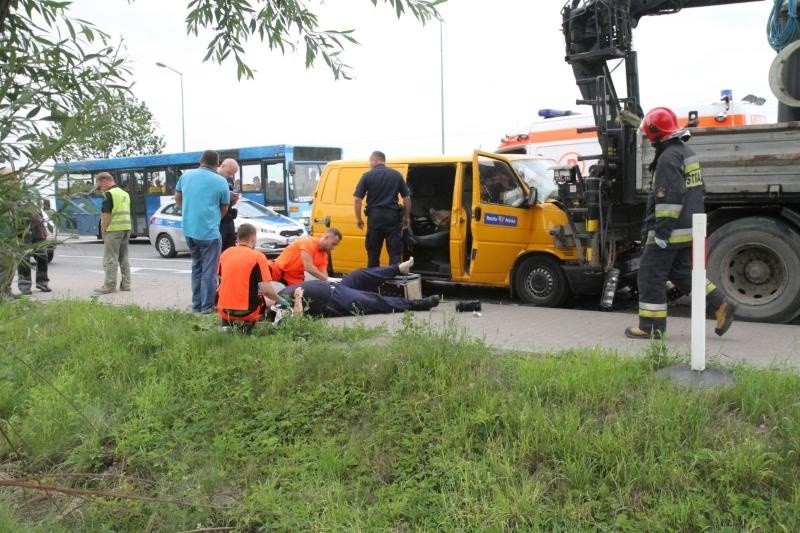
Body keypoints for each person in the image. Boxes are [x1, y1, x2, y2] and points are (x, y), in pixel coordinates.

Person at [625, 107, 736, 339]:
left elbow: (668, 198)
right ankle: (720, 305)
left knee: (649, 276)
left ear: (655, 133)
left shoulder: (667, 158)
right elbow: (699, 191)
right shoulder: (687, 153)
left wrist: (661, 233)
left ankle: (651, 327)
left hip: (669, 232)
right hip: (687, 230)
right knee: (683, 274)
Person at [278, 257, 440, 317]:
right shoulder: (277, 312)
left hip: (334, 286)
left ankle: (397, 268)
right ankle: (416, 305)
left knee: (359, 274)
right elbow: (296, 322)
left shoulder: (278, 294)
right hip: (333, 300)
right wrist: (298, 300)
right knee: (373, 301)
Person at [175, 150, 230, 313]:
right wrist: (214, 219)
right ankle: (207, 307)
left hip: (189, 230)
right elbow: (224, 207)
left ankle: (196, 304)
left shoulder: (185, 176)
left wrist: (185, 210)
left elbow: (177, 197)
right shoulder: (221, 181)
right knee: (209, 271)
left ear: (201, 160)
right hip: (209, 233)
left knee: (196, 267)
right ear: (217, 164)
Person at [216, 223, 285, 331]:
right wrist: (281, 300)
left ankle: (227, 324)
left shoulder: (225, 254)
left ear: (237, 238)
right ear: (253, 239)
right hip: (248, 312)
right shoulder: (258, 257)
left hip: (224, 311)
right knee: (270, 299)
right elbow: (267, 290)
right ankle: (250, 325)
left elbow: (220, 281)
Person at [353, 150, 411, 267]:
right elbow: (407, 198)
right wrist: (406, 217)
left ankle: (373, 281)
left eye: (370, 162)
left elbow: (357, 199)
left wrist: (358, 218)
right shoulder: (396, 175)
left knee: (373, 253)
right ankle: (395, 281)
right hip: (393, 218)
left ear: (375, 160)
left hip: (374, 219)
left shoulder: (367, 176)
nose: (370, 165)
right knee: (395, 253)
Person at [93, 172, 131, 294]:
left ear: (104, 181)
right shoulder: (124, 193)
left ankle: (109, 285)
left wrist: (103, 230)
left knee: (110, 258)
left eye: (99, 186)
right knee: (124, 258)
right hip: (126, 228)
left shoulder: (109, 194)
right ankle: (126, 285)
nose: (100, 189)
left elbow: (106, 215)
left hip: (114, 230)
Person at [270, 228, 342, 286]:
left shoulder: (324, 255)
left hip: (294, 276)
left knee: (301, 296)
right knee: (261, 273)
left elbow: (323, 274)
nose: (333, 248)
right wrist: (327, 279)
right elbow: (308, 267)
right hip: (278, 268)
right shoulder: (308, 242)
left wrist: (331, 282)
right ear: (326, 237)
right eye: (333, 244)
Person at [17, 203, 51, 295]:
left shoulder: (34, 197)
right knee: (24, 260)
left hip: (38, 232)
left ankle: (42, 283)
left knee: (43, 257)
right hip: (23, 233)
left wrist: (44, 231)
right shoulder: (17, 198)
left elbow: (40, 214)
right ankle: (25, 286)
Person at [217, 158, 240, 252]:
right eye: (229, 173)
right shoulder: (214, 178)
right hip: (219, 220)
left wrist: (234, 200)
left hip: (228, 219)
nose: (231, 176)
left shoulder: (229, 179)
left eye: (233, 174)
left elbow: (230, 202)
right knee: (219, 250)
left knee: (231, 249)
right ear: (222, 166)